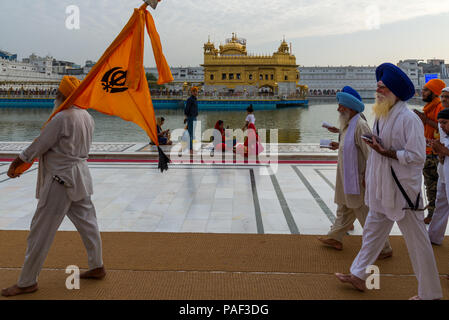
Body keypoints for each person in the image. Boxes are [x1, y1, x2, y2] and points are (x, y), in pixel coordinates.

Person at [335, 63, 442, 300]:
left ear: (393, 91)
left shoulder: (408, 118)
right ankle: (358, 275)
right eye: (378, 87)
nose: (378, 91)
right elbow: (378, 149)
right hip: (381, 189)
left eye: (382, 88)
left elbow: (416, 157)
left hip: (403, 193)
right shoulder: (381, 115)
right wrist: (369, 172)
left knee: (418, 245)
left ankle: (430, 294)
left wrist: (387, 152)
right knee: (372, 234)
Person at [2, 76, 105, 297]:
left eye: (57, 93)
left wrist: (17, 163)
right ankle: (97, 265)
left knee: (40, 232)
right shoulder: (87, 116)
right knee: (89, 223)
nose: (55, 97)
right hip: (80, 177)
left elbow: (39, 145)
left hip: (60, 181)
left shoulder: (62, 118)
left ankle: (27, 281)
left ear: (61, 95)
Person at [318, 88, 392, 258]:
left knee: (364, 213)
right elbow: (348, 146)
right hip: (347, 178)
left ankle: (384, 247)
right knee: (345, 209)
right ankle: (335, 237)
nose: (338, 109)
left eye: (340, 106)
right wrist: (337, 145)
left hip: (358, 180)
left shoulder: (360, 125)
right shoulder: (348, 125)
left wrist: (368, 175)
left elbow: (371, 153)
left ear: (349, 109)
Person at [413, 79, 446, 224]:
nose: (423, 92)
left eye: (426, 90)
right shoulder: (429, 108)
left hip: (436, 153)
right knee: (430, 184)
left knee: (436, 186)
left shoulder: (439, 107)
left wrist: (425, 120)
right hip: (427, 151)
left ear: (434, 93)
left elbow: (443, 128)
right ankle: (432, 213)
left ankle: (434, 213)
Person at [428, 108, 449, 247]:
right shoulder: (446, 135)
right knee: (441, 203)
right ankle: (433, 237)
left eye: (444, 122)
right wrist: (439, 152)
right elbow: (443, 154)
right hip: (444, 173)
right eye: (440, 123)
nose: (441, 126)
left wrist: (443, 151)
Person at [184, 87, 199, 154]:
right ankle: (190, 148)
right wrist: (186, 117)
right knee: (190, 134)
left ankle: (191, 147)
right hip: (191, 118)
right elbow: (187, 109)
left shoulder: (195, 99)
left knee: (192, 133)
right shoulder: (190, 99)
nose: (195, 93)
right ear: (192, 92)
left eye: (196, 91)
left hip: (194, 117)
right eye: (194, 91)